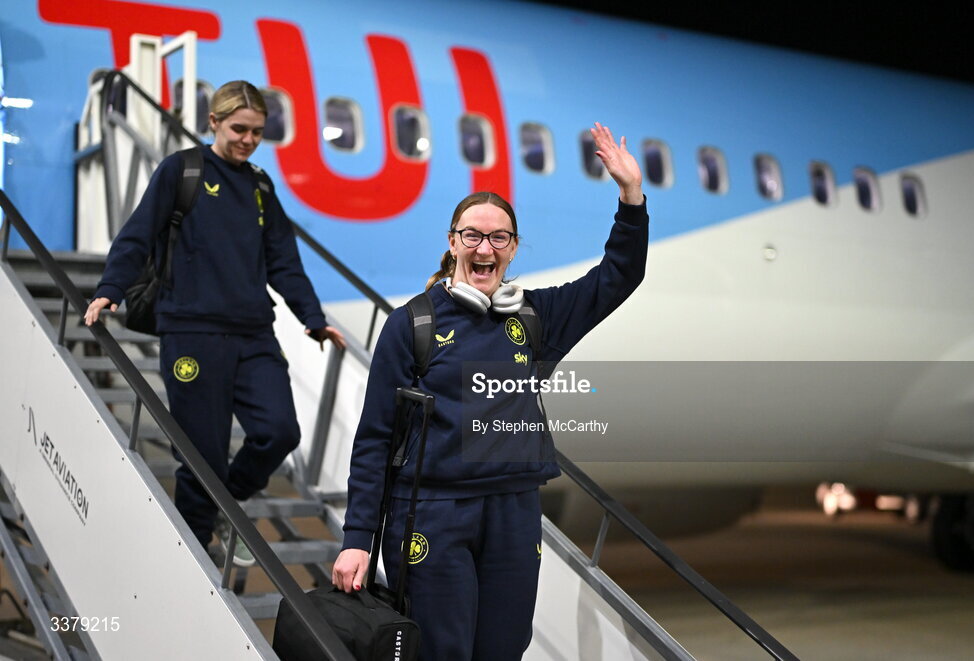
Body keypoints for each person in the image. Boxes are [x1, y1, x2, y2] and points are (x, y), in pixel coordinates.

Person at [332, 122, 647, 660]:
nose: (484, 247)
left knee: (503, 649)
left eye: (498, 237)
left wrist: (631, 199)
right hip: (431, 512)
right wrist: (358, 537)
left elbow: (617, 277)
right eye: (472, 235)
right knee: (442, 651)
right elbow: (375, 439)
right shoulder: (413, 324)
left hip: (513, 510)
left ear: (513, 249)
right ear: (453, 243)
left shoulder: (535, 317)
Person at [84, 80, 345, 565]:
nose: (248, 140)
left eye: (257, 132)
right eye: (239, 129)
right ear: (214, 122)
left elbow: (285, 262)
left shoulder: (261, 188)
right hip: (191, 334)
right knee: (200, 455)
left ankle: (229, 503)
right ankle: (193, 554)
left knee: (279, 431)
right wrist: (109, 290)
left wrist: (312, 319)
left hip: (253, 335)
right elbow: (137, 236)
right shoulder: (181, 170)